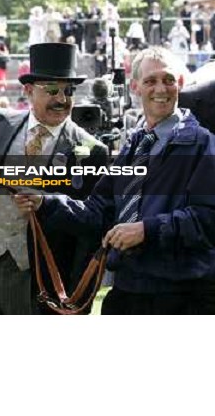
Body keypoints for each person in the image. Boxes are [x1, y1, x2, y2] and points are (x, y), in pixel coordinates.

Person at [17, 47, 215, 314]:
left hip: (184, 296)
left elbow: (207, 218)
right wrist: (45, 202)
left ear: (179, 84)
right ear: (135, 87)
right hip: (127, 292)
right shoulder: (133, 147)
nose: (161, 88)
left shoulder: (204, 144)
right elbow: (97, 211)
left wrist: (146, 230)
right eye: (150, 81)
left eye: (168, 80)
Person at [0, 43, 108, 315]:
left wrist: (48, 202)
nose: (62, 99)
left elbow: (94, 221)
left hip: (37, 281)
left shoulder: (90, 152)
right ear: (29, 91)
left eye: (68, 91)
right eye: (52, 90)